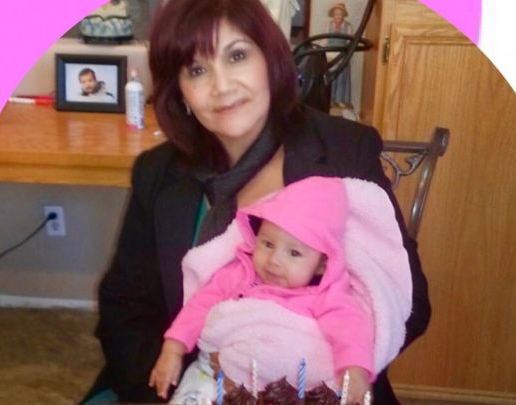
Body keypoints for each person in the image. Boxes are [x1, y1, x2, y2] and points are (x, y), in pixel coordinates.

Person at [83, 0, 430, 403]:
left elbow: (408, 301)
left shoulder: (343, 149)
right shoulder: (157, 173)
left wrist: (294, 377)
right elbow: (124, 311)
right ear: (180, 92)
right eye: (197, 70)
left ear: (270, 60)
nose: (222, 86)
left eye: (237, 56)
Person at [150, 176, 388, 405]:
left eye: (294, 253)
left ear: (322, 264)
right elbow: (200, 305)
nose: (274, 260)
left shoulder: (327, 294)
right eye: (267, 244)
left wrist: (355, 370)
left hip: (289, 390)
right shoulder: (239, 273)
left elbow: (350, 329)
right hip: (217, 372)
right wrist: (173, 349)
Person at [326, 3, 353, 107]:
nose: (338, 16)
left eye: (340, 14)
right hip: (330, 53)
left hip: (342, 54)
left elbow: (350, 42)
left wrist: (347, 53)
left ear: (343, 15)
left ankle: (340, 99)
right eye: (336, 14)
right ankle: (330, 99)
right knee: (330, 76)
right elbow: (325, 40)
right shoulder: (329, 25)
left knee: (341, 76)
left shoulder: (348, 26)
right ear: (333, 15)